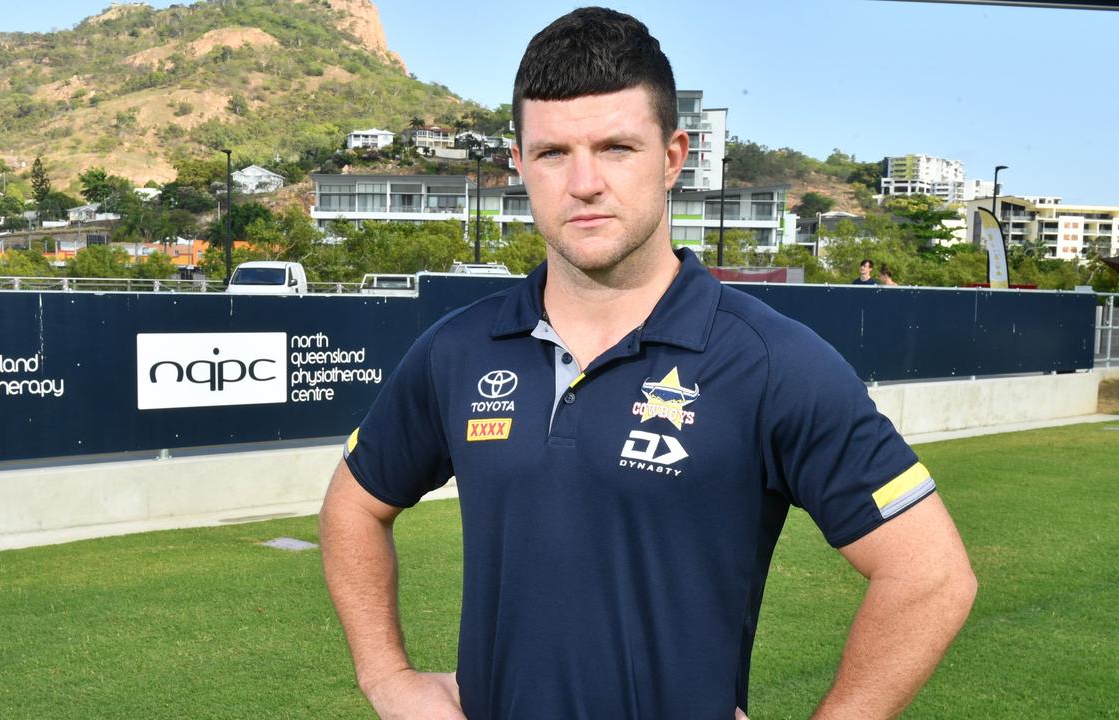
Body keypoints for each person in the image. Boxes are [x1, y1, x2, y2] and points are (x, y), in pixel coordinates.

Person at [320, 8, 976, 719]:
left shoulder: (769, 361)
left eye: (616, 148)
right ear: (519, 164)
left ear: (672, 156)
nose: (584, 183)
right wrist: (387, 679)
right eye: (551, 154)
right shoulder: (459, 349)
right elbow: (354, 504)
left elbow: (930, 576)